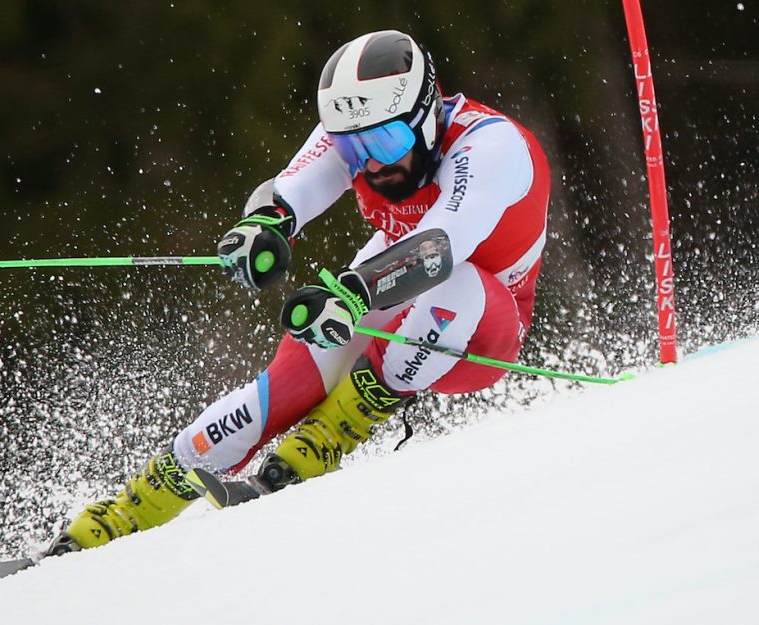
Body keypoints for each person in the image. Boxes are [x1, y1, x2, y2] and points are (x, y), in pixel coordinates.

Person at [46, 29, 550, 554]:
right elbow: (288, 189)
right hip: (389, 284)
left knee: (456, 285)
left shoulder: (490, 147)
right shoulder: (357, 133)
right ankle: (129, 509)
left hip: (480, 327)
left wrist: (355, 293)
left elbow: (440, 248)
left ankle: (332, 433)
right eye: (355, 148)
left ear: (427, 117)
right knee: (287, 385)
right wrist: (264, 225)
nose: (371, 164)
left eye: (386, 142)